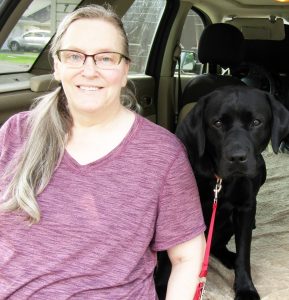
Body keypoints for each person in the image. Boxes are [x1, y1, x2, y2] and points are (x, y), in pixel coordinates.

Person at [0, 4, 206, 300]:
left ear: (125, 70)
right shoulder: (16, 133)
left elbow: (187, 257)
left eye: (106, 58)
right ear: (57, 66)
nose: (89, 70)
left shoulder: (163, 154)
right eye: (74, 56)